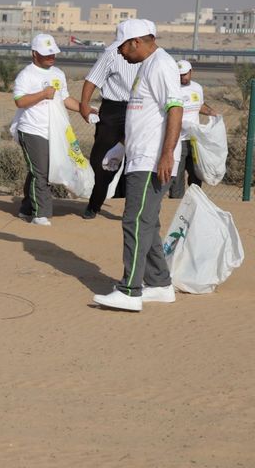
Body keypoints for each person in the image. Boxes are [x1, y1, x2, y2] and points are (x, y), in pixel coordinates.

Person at [93, 19, 184, 312]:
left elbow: (175, 107)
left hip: (151, 159)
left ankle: (130, 290)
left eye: (121, 46)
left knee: (134, 221)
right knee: (147, 223)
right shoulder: (146, 66)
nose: (119, 53)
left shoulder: (161, 65)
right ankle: (159, 284)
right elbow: (143, 116)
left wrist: (167, 154)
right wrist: (122, 147)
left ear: (136, 42)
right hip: (139, 155)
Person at [13, 33, 94, 226]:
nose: (51, 57)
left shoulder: (58, 73)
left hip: (55, 131)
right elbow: (19, 101)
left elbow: (65, 99)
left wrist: (85, 108)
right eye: (46, 53)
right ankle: (41, 214)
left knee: (39, 169)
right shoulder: (26, 75)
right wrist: (42, 94)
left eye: (53, 53)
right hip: (32, 129)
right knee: (41, 171)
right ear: (34, 54)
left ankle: (26, 208)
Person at [78, 24, 147, 219]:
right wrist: (84, 104)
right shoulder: (111, 54)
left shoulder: (153, 58)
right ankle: (95, 203)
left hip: (140, 109)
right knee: (103, 161)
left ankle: (132, 209)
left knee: (137, 161)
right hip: (113, 111)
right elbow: (92, 79)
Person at [169, 59, 218, 199]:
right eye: (179, 75)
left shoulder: (197, 88)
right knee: (177, 174)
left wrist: (211, 112)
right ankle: (175, 202)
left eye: (185, 74)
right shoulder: (172, 88)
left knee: (196, 172)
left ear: (191, 72)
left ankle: (195, 200)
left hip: (195, 139)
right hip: (177, 138)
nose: (182, 78)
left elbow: (199, 105)